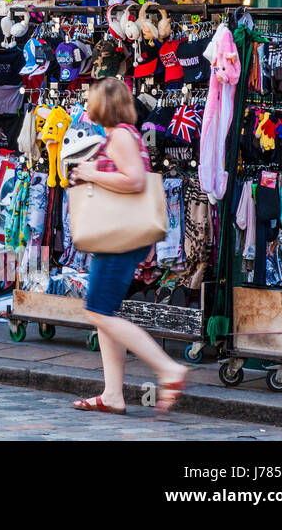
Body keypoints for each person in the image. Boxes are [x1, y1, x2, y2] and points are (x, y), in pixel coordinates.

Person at [69, 77, 187, 415]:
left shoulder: (119, 135)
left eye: (92, 100)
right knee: (104, 314)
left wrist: (91, 174)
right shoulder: (122, 134)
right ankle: (112, 395)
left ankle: (167, 368)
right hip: (117, 236)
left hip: (117, 238)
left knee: (96, 311)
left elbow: (134, 181)